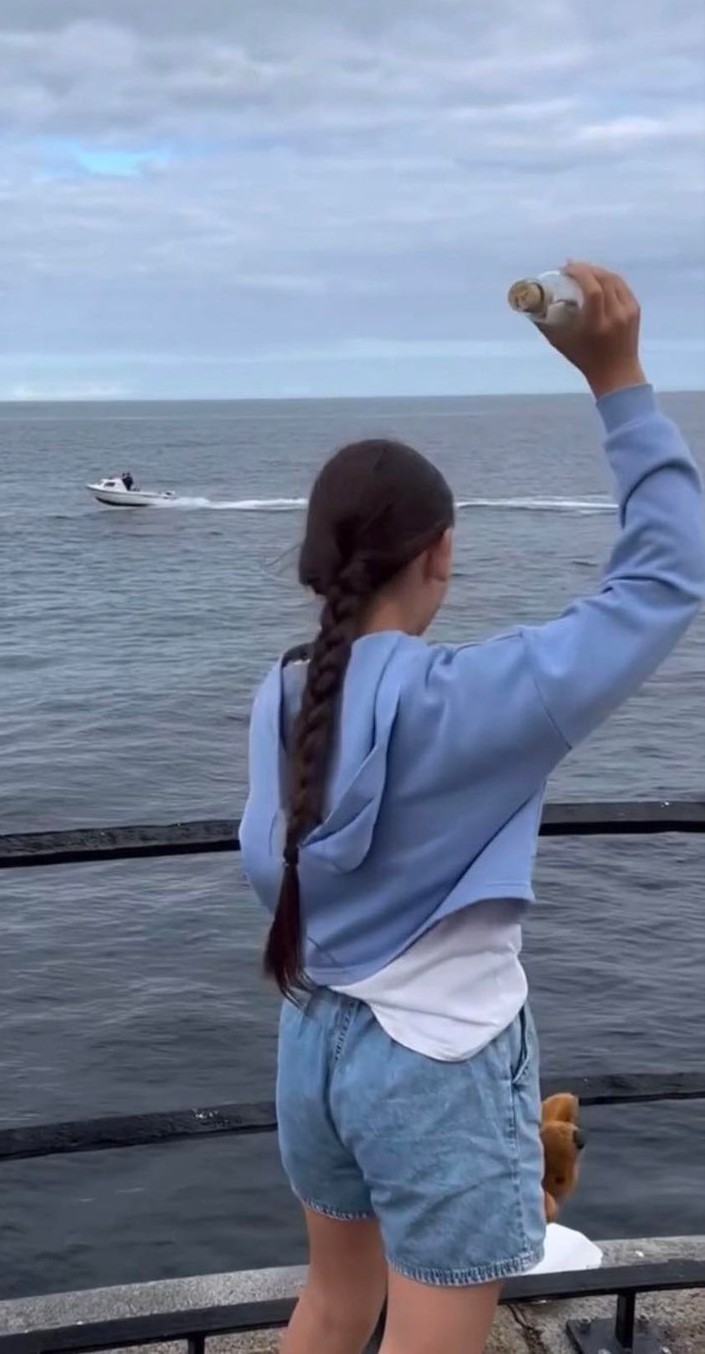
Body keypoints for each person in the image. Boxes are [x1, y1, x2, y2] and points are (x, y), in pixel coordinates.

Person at [239, 263, 705, 1354]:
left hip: (314, 1036)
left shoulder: (281, 693)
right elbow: (665, 577)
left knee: (330, 1306)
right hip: (438, 1064)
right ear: (440, 550)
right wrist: (618, 378)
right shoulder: (482, 698)